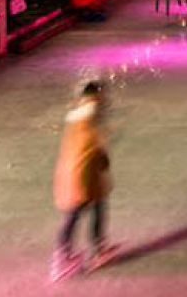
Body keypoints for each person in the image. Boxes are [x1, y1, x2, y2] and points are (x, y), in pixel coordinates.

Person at [51, 81, 118, 280]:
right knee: (75, 213)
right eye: (102, 93)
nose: (105, 98)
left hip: (76, 171)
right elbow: (92, 146)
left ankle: (97, 248)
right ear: (95, 94)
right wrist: (103, 159)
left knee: (97, 206)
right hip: (83, 174)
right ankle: (62, 260)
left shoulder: (78, 113)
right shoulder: (91, 111)